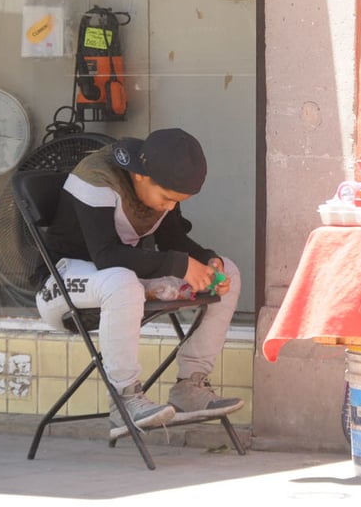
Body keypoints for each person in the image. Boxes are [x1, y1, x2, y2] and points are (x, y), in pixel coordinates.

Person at [35, 127, 243, 437]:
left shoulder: (160, 180)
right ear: (141, 176)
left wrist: (207, 260)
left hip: (120, 281)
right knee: (122, 282)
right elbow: (105, 256)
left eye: (177, 202)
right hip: (61, 283)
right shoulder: (96, 177)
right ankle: (125, 398)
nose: (169, 207)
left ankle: (190, 385)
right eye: (166, 199)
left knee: (230, 271)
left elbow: (172, 238)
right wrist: (181, 265)